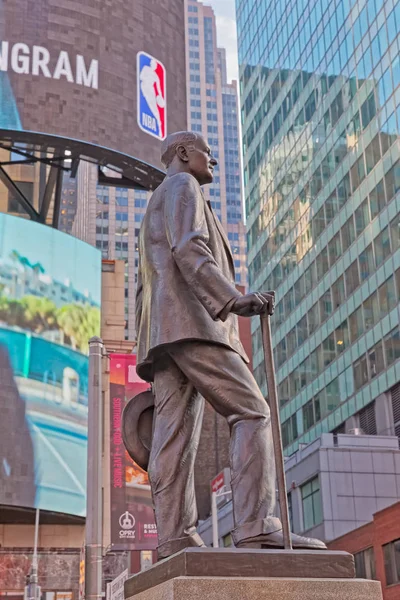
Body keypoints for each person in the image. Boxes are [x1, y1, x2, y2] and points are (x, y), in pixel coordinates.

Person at [135, 131, 326, 559]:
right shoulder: (182, 186)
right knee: (252, 410)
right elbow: (190, 247)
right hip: (194, 323)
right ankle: (257, 528)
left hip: (166, 333)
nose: (214, 161)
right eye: (207, 152)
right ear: (184, 154)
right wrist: (232, 299)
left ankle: (174, 538)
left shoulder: (156, 201)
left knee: (172, 435)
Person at [139, 58, 164, 136]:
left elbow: (158, 87)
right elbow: (141, 77)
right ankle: (159, 124)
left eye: (156, 65)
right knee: (151, 107)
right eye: (154, 64)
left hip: (151, 91)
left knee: (155, 109)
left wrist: (160, 96)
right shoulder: (146, 68)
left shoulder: (155, 75)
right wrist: (147, 80)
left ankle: (159, 126)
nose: (155, 66)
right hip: (145, 88)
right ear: (151, 64)